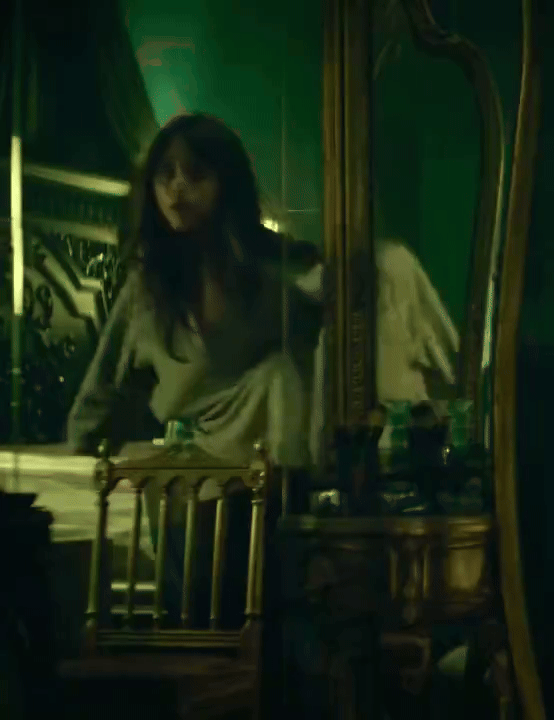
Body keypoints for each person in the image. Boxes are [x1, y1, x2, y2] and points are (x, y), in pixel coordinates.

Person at [67, 112, 458, 623]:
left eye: (196, 173)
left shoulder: (275, 276)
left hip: (274, 486)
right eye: (166, 175)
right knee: (201, 581)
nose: (178, 188)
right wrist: (99, 456)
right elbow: (98, 402)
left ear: (225, 183)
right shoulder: (149, 293)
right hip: (193, 499)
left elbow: (348, 298)